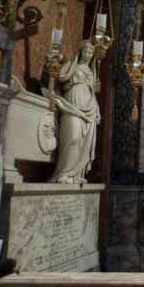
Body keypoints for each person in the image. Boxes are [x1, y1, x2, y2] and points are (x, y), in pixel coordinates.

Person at [47, 40, 101, 184]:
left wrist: (98, 110)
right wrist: (53, 68)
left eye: (90, 52)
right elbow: (58, 76)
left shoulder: (91, 71)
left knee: (84, 142)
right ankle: (63, 173)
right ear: (80, 52)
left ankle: (75, 175)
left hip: (89, 108)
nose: (88, 55)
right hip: (72, 104)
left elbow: (92, 92)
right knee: (73, 137)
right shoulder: (72, 66)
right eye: (86, 51)